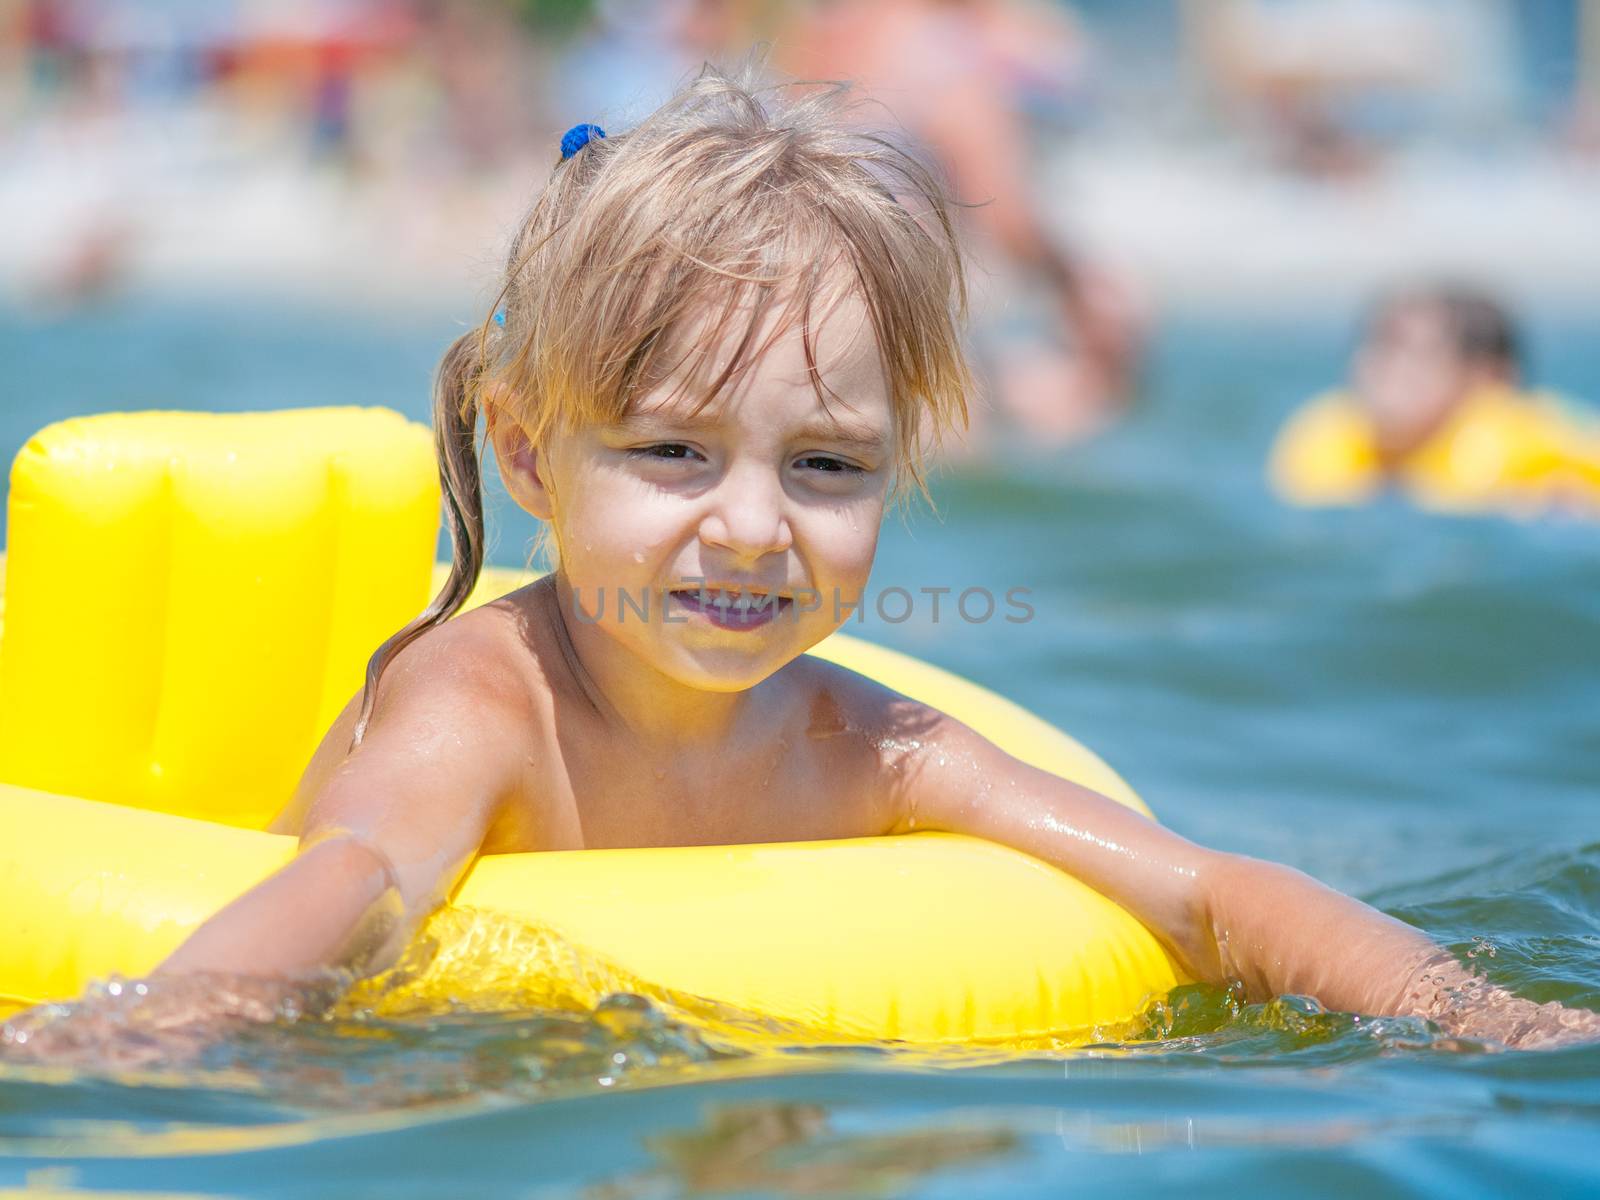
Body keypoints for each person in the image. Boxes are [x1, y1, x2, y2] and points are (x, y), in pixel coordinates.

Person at [9, 69, 1596, 1060]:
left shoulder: (866, 751)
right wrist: (130, 1039)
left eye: (827, 467)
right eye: (674, 452)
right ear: (528, 451)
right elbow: (351, 886)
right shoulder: (479, 709)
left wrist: (1477, 1014)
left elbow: (1195, 886)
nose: (756, 527)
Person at [1269, 286, 1600, 515]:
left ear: (1488, 378)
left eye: (1417, 354)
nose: (1385, 370)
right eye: (1377, 345)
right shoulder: (1331, 438)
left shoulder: (1539, 451)